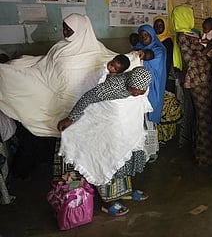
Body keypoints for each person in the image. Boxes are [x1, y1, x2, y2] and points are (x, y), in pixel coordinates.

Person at [0, 13, 116, 137]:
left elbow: (113, 60)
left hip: (80, 99)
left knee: (81, 131)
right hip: (58, 95)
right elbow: (45, 63)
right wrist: (22, 61)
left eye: (69, 29)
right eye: (64, 28)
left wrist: (135, 56)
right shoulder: (60, 47)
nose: (65, 32)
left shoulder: (96, 48)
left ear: (80, 29)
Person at [58, 66, 153, 217]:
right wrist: (71, 118)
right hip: (106, 131)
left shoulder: (140, 85)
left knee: (123, 161)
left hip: (124, 131)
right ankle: (106, 202)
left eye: (139, 91)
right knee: (106, 161)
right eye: (133, 90)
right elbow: (88, 97)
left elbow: (137, 102)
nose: (136, 94)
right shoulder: (113, 87)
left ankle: (124, 192)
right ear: (128, 84)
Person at [172, 5, 212, 166]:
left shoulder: (193, 33)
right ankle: (204, 156)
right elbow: (190, 60)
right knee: (203, 117)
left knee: (205, 116)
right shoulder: (182, 36)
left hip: (205, 77)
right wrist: (208, 52)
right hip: (199, 79)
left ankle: (205, 152)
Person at [152, 15, 181, 143]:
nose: (158, 28)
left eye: (161, 25)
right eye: (156, 25)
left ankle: (167, 135)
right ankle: (158, 136)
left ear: (165, 27)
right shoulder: (151, 40)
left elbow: (167, 61)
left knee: (166, 106)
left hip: (166, 77)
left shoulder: (168, 41)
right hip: (154, 78)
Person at [136, 24, 167, 125]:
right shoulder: (137, 48)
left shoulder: (159, 50)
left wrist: (143, 55)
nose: (143, 37)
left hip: (153, 84)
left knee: (151, 107)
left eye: (146, 35)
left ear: (152, 36)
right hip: (139, 84)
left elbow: (149, 55)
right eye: (141, 35)